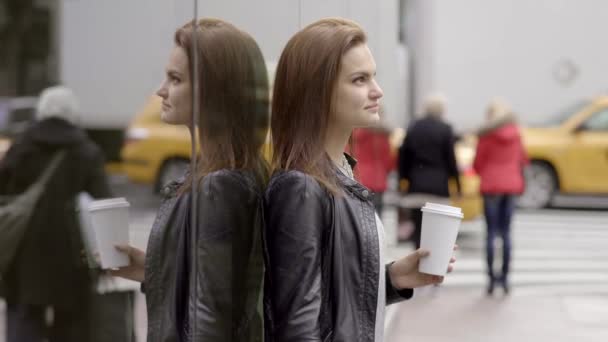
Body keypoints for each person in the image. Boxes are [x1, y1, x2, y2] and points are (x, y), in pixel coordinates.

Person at [264, 18, 456, 342]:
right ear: (317, 91)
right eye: (359, 79)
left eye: (374, 76)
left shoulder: (338, 171)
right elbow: (297, 328)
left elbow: (333, 303)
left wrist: (394, 277)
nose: (376, 90)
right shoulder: (301, 188)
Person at [111, 19, 269, 341]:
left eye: (175, 79)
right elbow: (214, 289)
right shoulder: (228, 172)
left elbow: (211, 318)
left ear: (214, 90)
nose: (162, 90)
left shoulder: (219, 185)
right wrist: (150, 267)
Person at [0, 85, 112, 342]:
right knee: (72, 322)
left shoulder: (22, 146)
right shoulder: (86, 151)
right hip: (71, 251)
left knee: (24, 316)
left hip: (23, 247)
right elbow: (104, 202)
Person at [473, 99, 528, 295]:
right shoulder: (516, 134)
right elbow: (523, 160)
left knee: (490, 233)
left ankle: (490, 280)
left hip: (491, 186)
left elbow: (478, 163)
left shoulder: (486, 135)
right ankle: (505, 279)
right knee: (506, 234)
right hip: (511, 186)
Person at [398, 94, 461, 249]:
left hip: (416, 185)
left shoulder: (414, 127)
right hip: (439, 187)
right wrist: (458, 185)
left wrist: (403, 180)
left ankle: (418, 260)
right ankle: (431, 266)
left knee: (418, 230)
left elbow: (403, 157)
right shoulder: (446, 129)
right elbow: (451, 160)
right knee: (436, 233)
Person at [351, 108, 395, 215]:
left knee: (360, 216)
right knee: (377, 217)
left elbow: (349, 154)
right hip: (379, 180)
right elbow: (389, 161)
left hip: (360, 177)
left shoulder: (357, 132)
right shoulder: (385, 135)